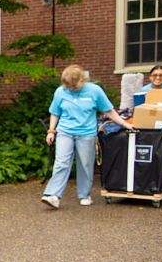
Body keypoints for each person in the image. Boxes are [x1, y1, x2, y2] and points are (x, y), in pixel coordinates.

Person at [42, 64, 119, 208]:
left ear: (83, 80)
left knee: (85, 164)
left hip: (86, 133)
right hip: (65, 131)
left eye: (74, 85)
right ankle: (53, 195)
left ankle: (85, 195)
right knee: (61, 163)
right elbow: (55, 112)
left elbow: (109, 111)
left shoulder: (95, 91)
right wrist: (51, 131)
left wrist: (125, 124)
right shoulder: (60, 91)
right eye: (68, 85)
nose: (71, 88)